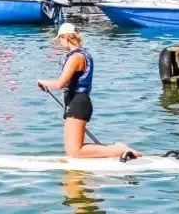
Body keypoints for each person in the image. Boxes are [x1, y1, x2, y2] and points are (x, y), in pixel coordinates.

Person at [36, 23, 141, 159]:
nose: (59, 42)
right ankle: (112, 150)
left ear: (64, 37)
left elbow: (60, 83)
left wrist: (42, 82)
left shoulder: (76, 57)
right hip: (74, 102)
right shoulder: (80, 55)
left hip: (78, 102)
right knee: (71, 150)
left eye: (59, 39)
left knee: (76, 151)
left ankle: (119, 149)